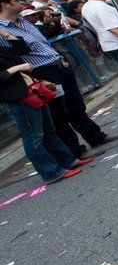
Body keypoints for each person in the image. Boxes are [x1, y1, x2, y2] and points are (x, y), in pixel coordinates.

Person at [1, 0, 118, 157]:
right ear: (5, 5)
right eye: (16, 0)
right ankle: (75, 150)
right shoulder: (2, 31)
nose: (21, 2)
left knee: (76, 106)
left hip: (59, 65)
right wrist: (36, 78)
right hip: (43, 72)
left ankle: (95, 136)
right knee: (59, 114)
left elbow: (43, 41)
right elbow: (12, 58)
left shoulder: (23, 21)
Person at [0, 28, 92, 183]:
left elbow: (21, 50)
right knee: (33, 136)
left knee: (48, 130)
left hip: (30, 90)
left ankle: (68, 161)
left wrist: (7, 35)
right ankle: (51, 172)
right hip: (18, 97)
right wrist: (18, 68)